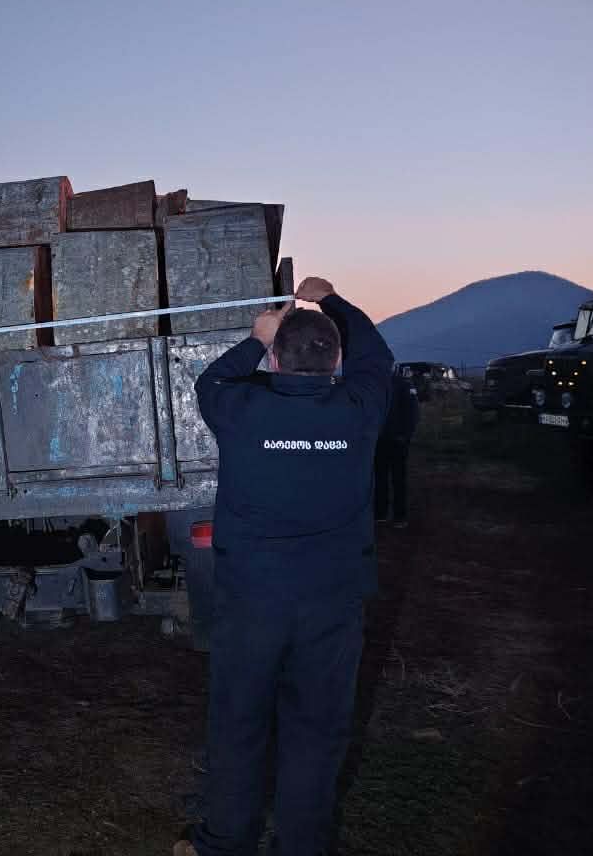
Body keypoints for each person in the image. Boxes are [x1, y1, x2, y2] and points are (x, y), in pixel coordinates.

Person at [176, 277, 393, 856]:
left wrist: (257, 336)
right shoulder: (360, 410)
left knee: (238, 724)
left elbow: (210, 379)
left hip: (252, 602)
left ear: (273, 360)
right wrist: (331, 299)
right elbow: (378, 356)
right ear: (337, 361)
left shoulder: (241, 408)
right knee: (317, 733)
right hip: (332, 604)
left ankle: (225, 844)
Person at [374, 367, 420, 527]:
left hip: (394, 440)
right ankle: (383, 513)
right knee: (383, 478)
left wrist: (405, 435)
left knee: (395, 478)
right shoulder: (378, 385)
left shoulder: (402, 384)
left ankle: (397, 516)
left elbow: (413, 413)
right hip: (383, 440)